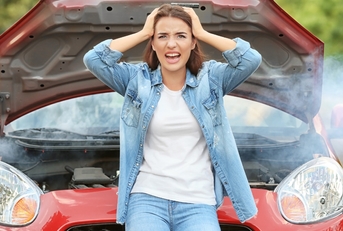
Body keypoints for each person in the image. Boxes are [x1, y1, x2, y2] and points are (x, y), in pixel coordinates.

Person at [83, 4, 261, 231]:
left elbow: (250, 60)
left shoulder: (211, 79)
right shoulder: (137, 80)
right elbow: (94, 59)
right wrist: (143, 32)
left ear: (193, 42)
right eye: (162, 36)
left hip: (198, 201)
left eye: (181, 36)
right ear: (154, 43)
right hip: (147, 198)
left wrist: (203, 32)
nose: (171, 44)